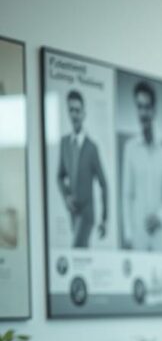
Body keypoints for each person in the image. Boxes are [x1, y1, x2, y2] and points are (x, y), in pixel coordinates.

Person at [120, 80, 162, 252]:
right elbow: (127, 195)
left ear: (154, 110)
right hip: (138, 235)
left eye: (147, 107)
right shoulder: (130, 149)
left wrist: (159, 217)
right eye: (139, 107)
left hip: (160, 236)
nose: (143, 113)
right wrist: (128, 234)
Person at [57, 90, 108, 248]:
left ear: (84, 113)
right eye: (71, 110)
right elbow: (59, 176)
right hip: (72, 213)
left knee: (76, 248)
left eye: (77, 110)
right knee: (81, 255)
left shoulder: (92, 148)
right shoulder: (64, 143)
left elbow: (103, 183)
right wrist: (66, 197)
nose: (74, 115)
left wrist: (104, 218)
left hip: (87, 213)